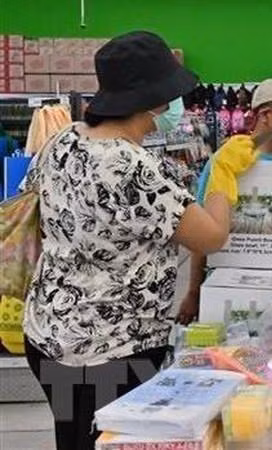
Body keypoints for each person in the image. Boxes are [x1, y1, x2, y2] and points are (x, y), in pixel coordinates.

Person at [19, 31, 258, 450]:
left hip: (48, 332)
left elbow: (38, 208)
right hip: (110, 348)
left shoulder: (63, 141)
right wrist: (222, 173)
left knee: (73, 434)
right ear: (155, 101)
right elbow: (212, 236)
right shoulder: (135, 169)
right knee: (106, 439)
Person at [177, 78, 272, 324]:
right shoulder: (225, 161)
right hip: (227, 283)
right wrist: (194, 293)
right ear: (265, 114)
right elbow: (201, 235)